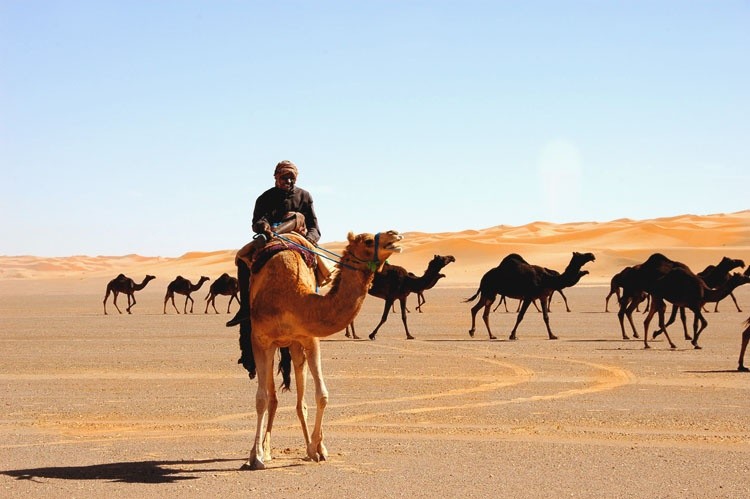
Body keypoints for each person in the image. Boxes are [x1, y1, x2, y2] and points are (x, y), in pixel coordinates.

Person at [227, 160, 324, 377]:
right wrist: (264, 227)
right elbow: (256, 221)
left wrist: (309, 240)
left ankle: (315, 305)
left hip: (299, 241)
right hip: (270, 239)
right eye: (284, 177)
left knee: (320, 265)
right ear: (276, 177)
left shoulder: (304, 197)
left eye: (291, 178)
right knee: (243, 259)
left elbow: (316, 227)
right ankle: (246, 308)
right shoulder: (265, 198)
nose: (288, 181)